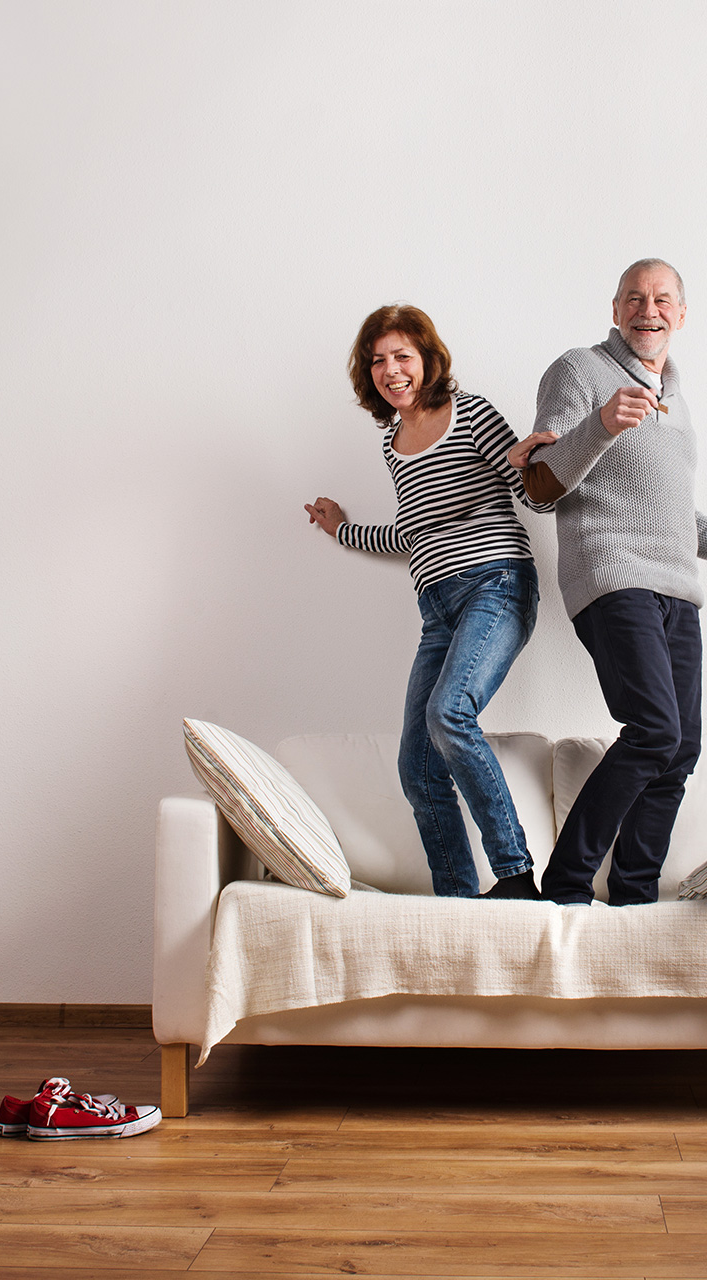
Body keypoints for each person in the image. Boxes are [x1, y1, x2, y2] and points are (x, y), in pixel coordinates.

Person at [513, 259, 707, 906]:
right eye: (636, 298)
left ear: (681, 313)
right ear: (615, 310)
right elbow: (539, 485)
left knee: (680, 747)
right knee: (655, 730)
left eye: (663, 299)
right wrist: (601, 424)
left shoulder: (677, 397)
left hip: (677, 588)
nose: (650, 309)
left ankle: (635, 895)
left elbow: (673, 517)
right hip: (612, 574)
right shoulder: (579, 371)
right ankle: (563, 886)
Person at [306, 305, 553, 900]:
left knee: (450, 715)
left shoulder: (469, 412)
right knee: (417, 771)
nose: (391, 370)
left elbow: (532, 494)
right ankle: (460, 905)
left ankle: (517, 877)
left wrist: (540, 458)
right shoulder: (392, 443)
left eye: (402, 357)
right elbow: (413, 530)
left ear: (426, 359)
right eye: (378, 361)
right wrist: (343, 530)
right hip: (437, 611)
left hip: (496, 584)